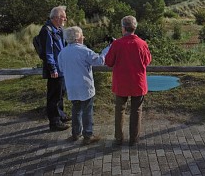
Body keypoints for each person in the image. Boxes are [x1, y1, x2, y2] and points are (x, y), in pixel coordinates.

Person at [58, 26, 110, 145]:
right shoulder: (84, 51)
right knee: (87, 111)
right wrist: (106, 50)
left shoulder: (63, 52)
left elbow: (61, 68)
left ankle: (76, 133)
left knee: (76, 110)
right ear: (77, 38)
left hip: (71, 86)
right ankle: (88, 134)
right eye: (82, 35)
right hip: (84, 85)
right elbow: (99, 61)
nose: (83, 37)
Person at [105, 16, 152, 146]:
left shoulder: (117, 44)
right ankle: (134, 139)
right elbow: (147, 61)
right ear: (134, 27)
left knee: (119, 110)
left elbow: (109, 62)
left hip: (121, 83)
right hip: (137, 82)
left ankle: (118, 138)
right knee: (136, 111)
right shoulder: (142, 43)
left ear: (123, 28)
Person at [41, 6, 70, 131]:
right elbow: (48, 52)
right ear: (56, 17)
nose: (65, 19)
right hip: (55, 69)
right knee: (54, 96)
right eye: (63, 17)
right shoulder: (47, 30)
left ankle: (61, 115)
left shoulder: (59, 29)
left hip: (61, 68)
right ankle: (55, 122)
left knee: (60, 94)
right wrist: (53, 69)